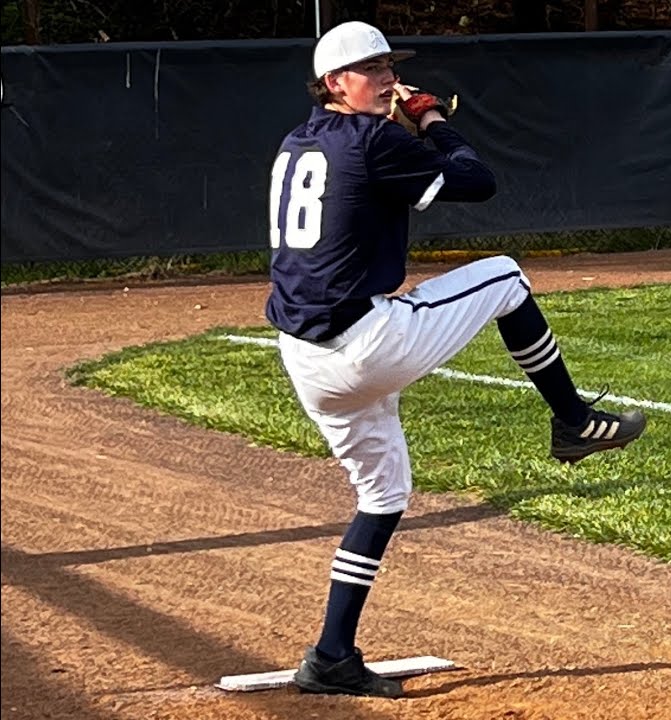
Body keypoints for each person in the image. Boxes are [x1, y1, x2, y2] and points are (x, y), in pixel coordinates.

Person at [265, 21, 647, 698]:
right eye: (372, 69)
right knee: (505, 277)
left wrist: (402, 128)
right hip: (364, 345)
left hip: (306, 360)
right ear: (334, 83)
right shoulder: (375, 138)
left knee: (383, 496)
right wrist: (431, 119)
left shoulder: (298, 141)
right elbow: (478, 181)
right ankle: (573, 421)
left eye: (390, 66)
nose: (388, 78)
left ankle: (331, 655)